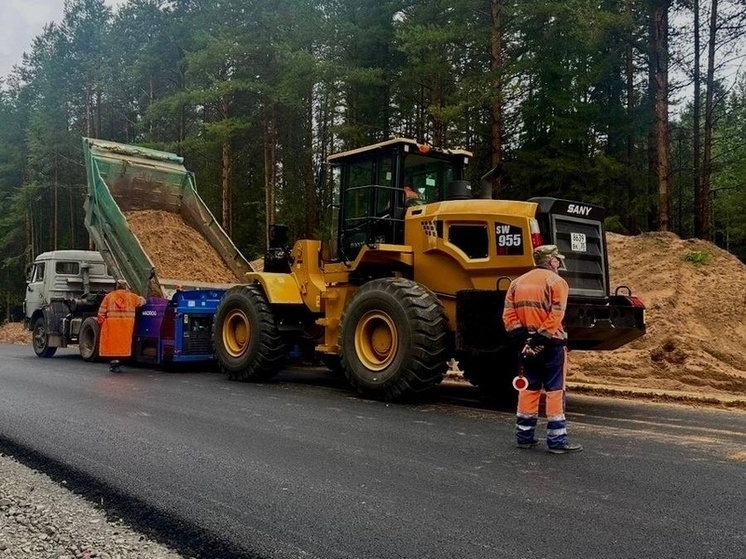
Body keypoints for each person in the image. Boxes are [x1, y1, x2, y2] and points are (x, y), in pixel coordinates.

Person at [502, 244, 582, 455]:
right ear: (551, 261)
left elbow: (508, 316)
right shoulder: (557, 282)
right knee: (555, 390)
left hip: (526, 346)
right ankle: (557, 441)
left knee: (529, 388)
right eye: (557, 260)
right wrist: (541, 338)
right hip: (552, 345)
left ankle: (524, 437)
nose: (558, 263)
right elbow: (557, 314)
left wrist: (525, 339)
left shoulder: (516, 283)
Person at [97, 280, 146, 373]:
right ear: (126, 287)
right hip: (126, 326)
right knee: (122, 345)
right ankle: (118, 361)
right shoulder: (132, 297)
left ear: (116, 287)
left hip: (112, 326)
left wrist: (101, 323)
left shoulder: (109, 296)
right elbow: (142, 302)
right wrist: (141, 297)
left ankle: (114, 362)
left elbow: (101, 312)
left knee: (113, 345)